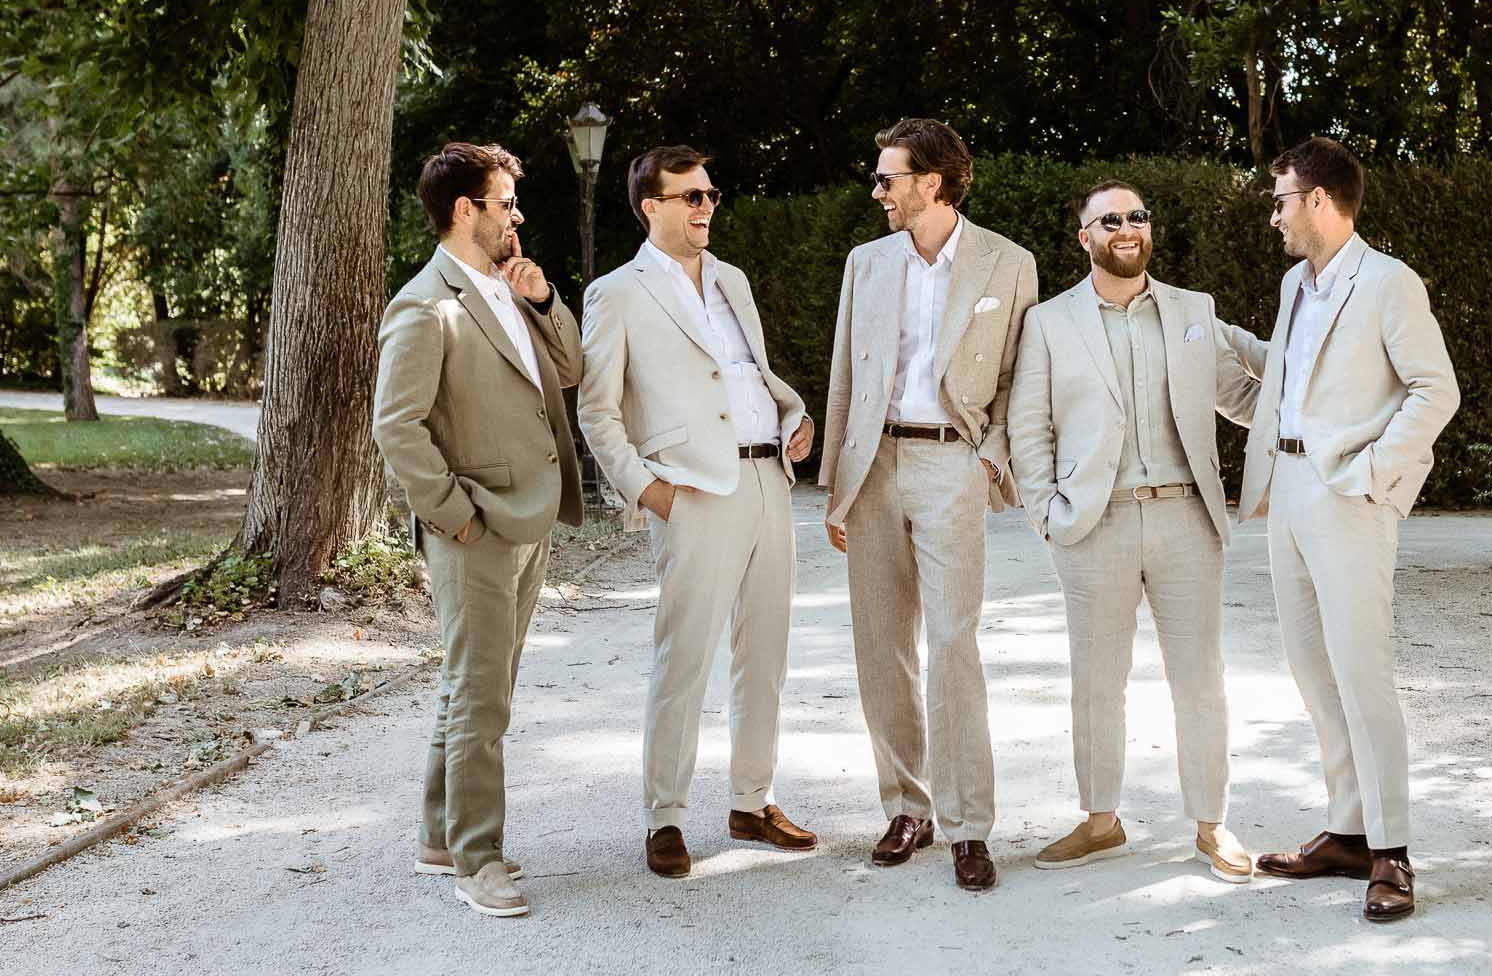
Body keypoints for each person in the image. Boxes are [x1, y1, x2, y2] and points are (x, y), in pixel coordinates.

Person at [1006, 180, 1266, 880]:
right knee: (1096, 681)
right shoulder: (1049, 322)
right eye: (1109, 219)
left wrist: (1308, 407)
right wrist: (1049, 517)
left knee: (1201, 679)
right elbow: (1027, 427)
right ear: (1084, 237)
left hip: (1187, 516)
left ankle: (1211, 825)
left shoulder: (1192, 310)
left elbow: (1238, 396)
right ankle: (1100, 821)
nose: (1127, 227)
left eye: (1138, 216)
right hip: (1095, 523)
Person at [577, 145, 818, 880]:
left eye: (710, 194)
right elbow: (597, 410)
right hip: (691, 494)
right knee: (684, 659)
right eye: (690, 197)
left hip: (767, 479)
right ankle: (666, 817)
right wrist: (648, 492)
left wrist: (795, 413)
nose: (706, 207)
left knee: (765, 653)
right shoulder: (616, 293)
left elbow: (751, 374)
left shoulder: (734, 280)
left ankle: (752, 800)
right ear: (651, 205)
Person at [1237, 137, 1460, 922]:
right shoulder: (1297, 283)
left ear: (1320, 202)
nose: (1274, 216)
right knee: (1311, 668)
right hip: (1288, 493)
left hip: (1348, 497)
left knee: (1362, 674)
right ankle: (1347, 831)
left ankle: (1393, 853)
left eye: (1281, 200)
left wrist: (1371, 475)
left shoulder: (1390, 282)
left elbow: (1437, 391)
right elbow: (1291, 382)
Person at [819, 117, 1038, 892]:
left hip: (953, 462)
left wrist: (990, 458)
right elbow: (844, 373)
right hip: (873, 462)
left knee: (952, 643)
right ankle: (905, 806)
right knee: (881, 645)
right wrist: (835, 489)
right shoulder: (865, 263)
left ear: (931, 184)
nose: (877, 191)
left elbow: (1019, 377)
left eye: (888, 179)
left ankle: (969, 825)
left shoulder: (1007, 263)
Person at [373, 142, 585, 919]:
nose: (517, 215)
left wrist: (540, 298)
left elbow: (570, 370)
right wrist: (455, 517)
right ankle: (478, 859)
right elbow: (396, 427)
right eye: (505, 202)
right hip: (479, 525)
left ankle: (440, 836)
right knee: (480, 697)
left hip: (529, 516)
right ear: (466, 211)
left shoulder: (503, 288)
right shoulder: (424, 306)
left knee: (478, 685)